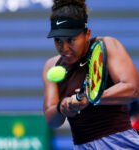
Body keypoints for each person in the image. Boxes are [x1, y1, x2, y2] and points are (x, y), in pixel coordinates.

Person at [42, 0, 139, 149]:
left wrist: (90, 98)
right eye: (58, 40)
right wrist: (63, 106)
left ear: (87, 34)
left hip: (119, 143)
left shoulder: (107, 45)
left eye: (70, 40)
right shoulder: (51, 66)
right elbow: (51, 119)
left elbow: (132, 89)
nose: (64, 48)